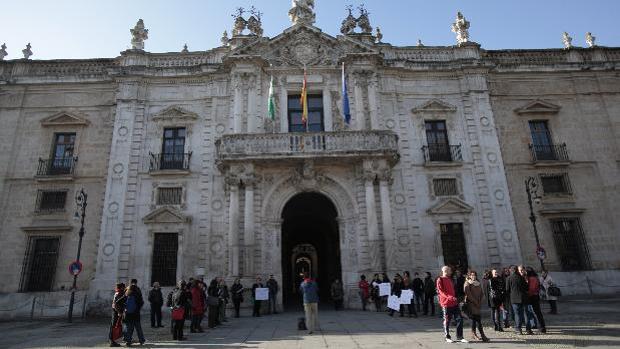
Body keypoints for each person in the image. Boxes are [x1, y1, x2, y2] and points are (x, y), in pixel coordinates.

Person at [437, 266, 468, 343]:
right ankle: (447, 337)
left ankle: (460, 337)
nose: (451, 272)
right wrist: (449, 297)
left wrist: (456, 298)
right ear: (446, 271)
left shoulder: (450, 279)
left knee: (459, 319)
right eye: (450, 270)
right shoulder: (440, 279)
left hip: (454, 303)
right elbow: (441, 292)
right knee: (447, 320)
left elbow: (453, 290)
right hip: (446, 304)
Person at [464, 270, 489, 342]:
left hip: (478, 304)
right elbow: (468, 294)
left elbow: (482, 293)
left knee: (478, 320)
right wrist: (475, 302)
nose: (473, 276)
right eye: (472, 275)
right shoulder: (467, 283)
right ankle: (474, 334)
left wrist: (480, 301)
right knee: (473, 320)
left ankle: (482, 335)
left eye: (474, 275)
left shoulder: (478, 283)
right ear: (469, 276)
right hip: (471, 304)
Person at [506, 265, 531, 335]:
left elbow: (507, 290)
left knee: (517, 314)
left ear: (511, 271)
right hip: (523, 298)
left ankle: (518, 329)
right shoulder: (521, 277)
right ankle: (528, 329)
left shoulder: (509, 278)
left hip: (514, 299)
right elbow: (526, 288)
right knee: (526, 314)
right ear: (516, 270)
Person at [526, 267, 546, 333]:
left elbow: (532, 289)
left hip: (531, 297)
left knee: (530, 312)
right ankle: (542, 327)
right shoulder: (536, 277)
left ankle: (534, 325)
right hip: (536, 296)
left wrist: (528, 294)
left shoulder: (531, 278)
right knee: (538, 312)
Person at [109, 283, 126, 347]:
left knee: (113, 326)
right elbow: (116, 304)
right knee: (114, 326)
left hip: (115, 311)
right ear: (121, 287)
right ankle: (112, 341)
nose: (124, 288)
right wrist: (119, 312)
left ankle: (112, 340)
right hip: (116, 312)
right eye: (123, 287)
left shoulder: (117, 292)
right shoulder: (119, 293)